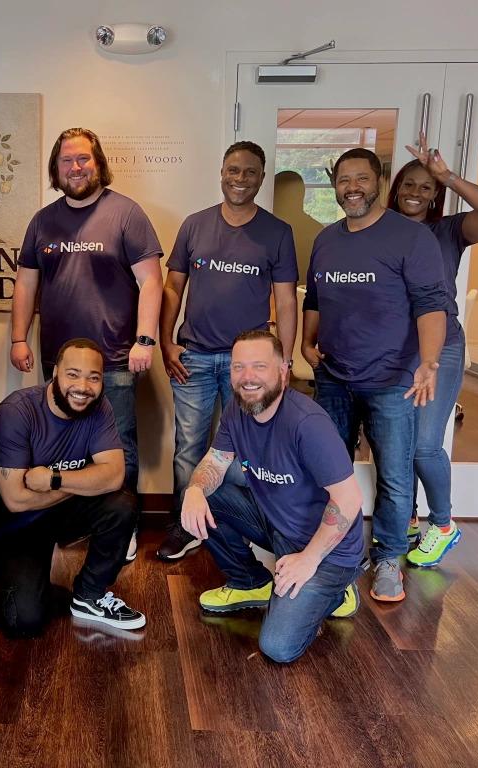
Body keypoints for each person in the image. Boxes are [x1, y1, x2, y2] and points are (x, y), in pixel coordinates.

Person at [302, 148, 448, 603]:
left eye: (361, 179)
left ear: (378, 181)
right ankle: (340, 550)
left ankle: (388, 557)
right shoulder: (326, 238)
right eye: (344, 180)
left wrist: (428, 362)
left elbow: (430, 304)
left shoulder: (411, 238)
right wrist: (307, 344)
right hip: (334, 376)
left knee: (395, 476)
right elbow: (315, 300)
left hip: (392, 380)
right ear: (334, 184)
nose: (352, 188)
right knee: (330, 470)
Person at [9, 128, 163, 561]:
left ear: (98, 164)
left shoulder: (126, 214)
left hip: (113, 359)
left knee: (119, 447)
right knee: (62, 445)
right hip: (58, 362)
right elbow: (25, 283)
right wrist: (19, 337)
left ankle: (120, 529)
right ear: (56, 170)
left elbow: (151, 280)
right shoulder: (43, 220)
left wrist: (145, 339)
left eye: (83, 159)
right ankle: (73, 521)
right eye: (67, 161)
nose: (75, 167)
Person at [182, 330, 363, 663]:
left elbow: (349, 500)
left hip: (326, 550)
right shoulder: (239, 411)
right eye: (239, 367)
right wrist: (194, 490)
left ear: (282, 371)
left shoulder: (308, 423)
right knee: (205, 493)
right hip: (278, 525)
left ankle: (335, 593)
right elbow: (216, 462)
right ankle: (249, 581)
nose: (247, 377)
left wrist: (308, 560)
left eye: (259, 367)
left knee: (277, 647)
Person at [157, 141, 299, 561]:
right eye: (233, 170)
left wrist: (284, 362)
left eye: (250, 172)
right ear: (221, 172)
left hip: (249, 366)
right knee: (188, 446)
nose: (240, 179)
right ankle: (185, 526)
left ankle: (247, 524)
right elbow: (172, 288)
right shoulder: (195, 225)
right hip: (195, 357)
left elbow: (287, 301)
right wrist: (166, 341)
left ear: (261, 177)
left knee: (249, 450)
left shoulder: (277, 232)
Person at [387, 133, 478, 567]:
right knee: (397, 444)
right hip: (392, 351)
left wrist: (448, 176)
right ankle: (410, 520)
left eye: (426, 187)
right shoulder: (381, 232)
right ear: (395, 189)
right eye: (409, 184)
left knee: (423, 445)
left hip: (441, 349)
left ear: (436, 195)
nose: (416, 193)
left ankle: (442, 524)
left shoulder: (448, 232)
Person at [0, 338, 144, 636]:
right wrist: (87, 480)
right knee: (23, 621)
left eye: (93, 378)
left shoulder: (99, 407)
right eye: (73, 374)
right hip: (15, 525)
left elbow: (115, 474)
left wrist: (54, 478)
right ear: (55, 373)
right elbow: (16, 499)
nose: (83, 386)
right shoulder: (16, 411)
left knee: (123, 503)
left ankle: (89, 595)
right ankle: (12, 579)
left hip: (57, 507)